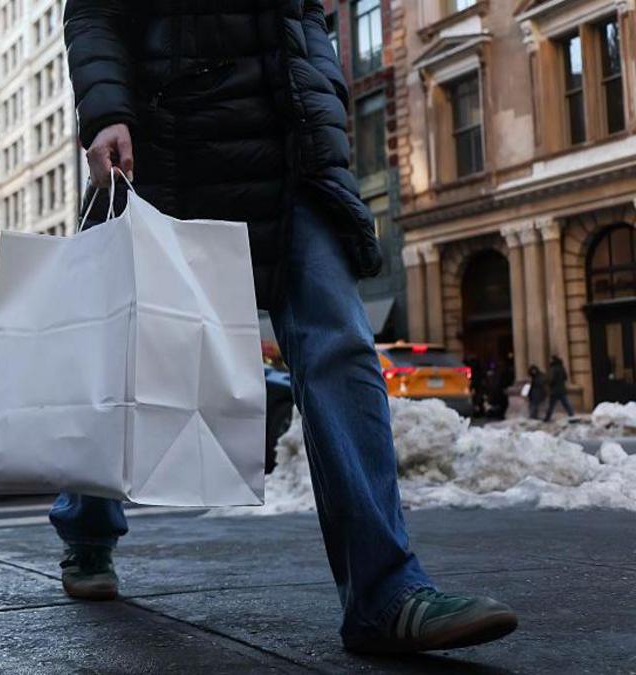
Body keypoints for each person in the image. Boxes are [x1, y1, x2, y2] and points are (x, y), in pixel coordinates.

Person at [54, 1, 516, 654]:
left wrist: (331, 122)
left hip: (296, 148)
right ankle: (88, 527)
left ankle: (384, 592)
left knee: (341, 347)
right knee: (125, 350)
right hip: (172, 143)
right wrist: (106, 111)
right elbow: (94, 11)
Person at [544, 356, 574, 421]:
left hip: (554, 390)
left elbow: (552, 379)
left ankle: (547, 418)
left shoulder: (553, 369)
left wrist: (548, 382)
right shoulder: (561, 367)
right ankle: (571, 415)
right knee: (566, 403)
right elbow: (565, 377)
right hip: (562, 389)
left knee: (551, 405)